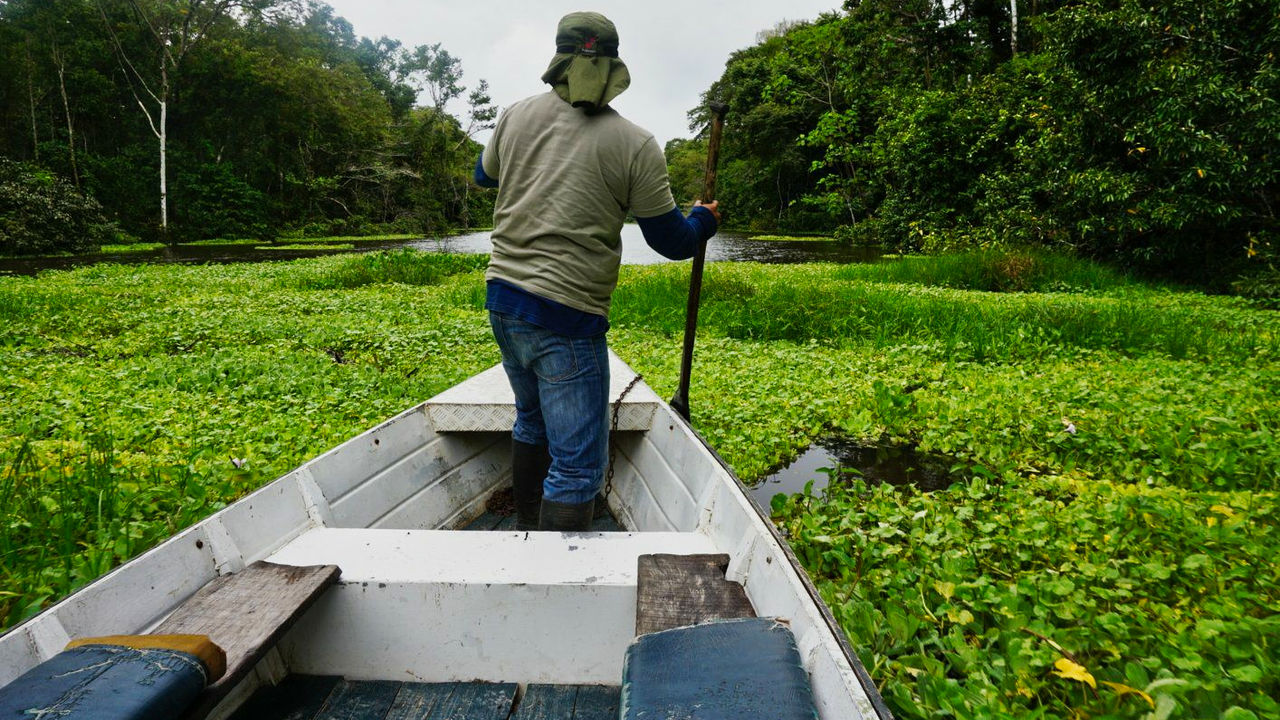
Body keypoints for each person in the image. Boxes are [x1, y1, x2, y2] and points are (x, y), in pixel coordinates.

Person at [474, 11, 721, 531]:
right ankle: (551, 572)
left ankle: (525, 528)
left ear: (558, 60)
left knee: (532, 420)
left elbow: (483, 175)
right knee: (578, 466)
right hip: (566, 318)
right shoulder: (635, 143)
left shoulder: (514, 115)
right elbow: (671, 241)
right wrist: (704, 219)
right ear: (612, 67)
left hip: (503, 300)